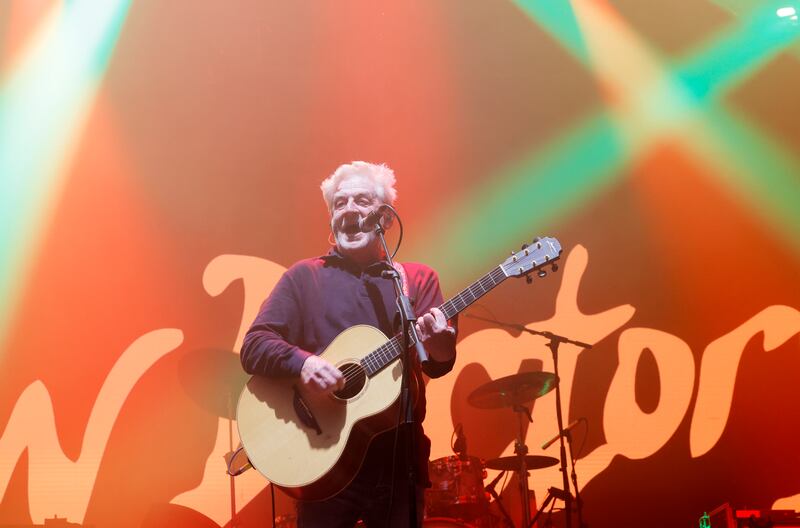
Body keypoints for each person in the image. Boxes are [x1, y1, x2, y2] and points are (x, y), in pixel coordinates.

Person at [240, 161, 458, 527]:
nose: (350, 210)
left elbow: (437, 363)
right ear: (331, 219)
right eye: (340, 204)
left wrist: (440, 346)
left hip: (399, 466)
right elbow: (254, 345)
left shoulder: (416, 280)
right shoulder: (304, 277)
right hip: (323, 460)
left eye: (362, 200)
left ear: (386, 219)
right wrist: (303, 364)